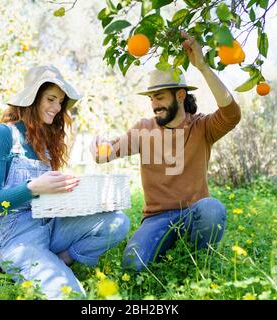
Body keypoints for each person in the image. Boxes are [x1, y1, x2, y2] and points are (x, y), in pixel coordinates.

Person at [90, 33, 241, 272]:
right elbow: (106, 153)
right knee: (132, 266)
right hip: (157, 219)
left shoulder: (202, 127)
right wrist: (98, 148)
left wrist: (202, 67)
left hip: (194, 213)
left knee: (212, 208)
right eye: (151, 98)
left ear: (180, 95)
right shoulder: (144, 129)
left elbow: (232, 114)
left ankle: (196, 263)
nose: (154, 104)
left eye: (159, 97)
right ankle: (166, 249)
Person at [0, 65, 130, 299]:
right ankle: (32, 265)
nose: (57, 108)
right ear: (32, 98)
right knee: (72, 296)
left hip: (50, 227)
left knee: (117, 221)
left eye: (60, 101)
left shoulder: (46, 141)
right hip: (17, 239)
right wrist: (33, 189)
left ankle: (62, 260)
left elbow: (53, 193)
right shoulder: (2, 135)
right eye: (51, 99)